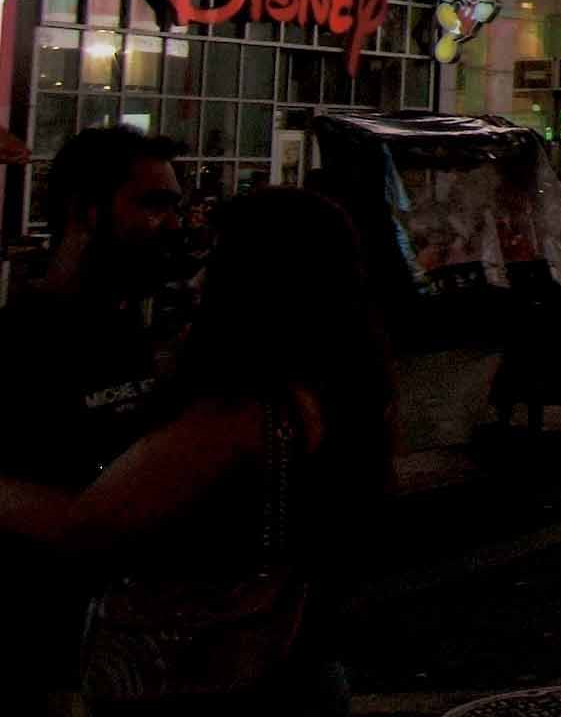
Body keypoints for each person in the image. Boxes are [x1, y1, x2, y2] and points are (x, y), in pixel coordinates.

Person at [0, 184, 393, 713]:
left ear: (252, 279)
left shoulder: (239, 413)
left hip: (213, 676)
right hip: (300, 661)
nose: (198, 276)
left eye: (216, 257)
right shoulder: (349, 383)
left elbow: (87, 523)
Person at [0, 130, 187, 703]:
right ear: (86, 210)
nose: (173, 224)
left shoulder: (131, 337)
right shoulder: (19, 346)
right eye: (153, 204)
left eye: (174, 206)